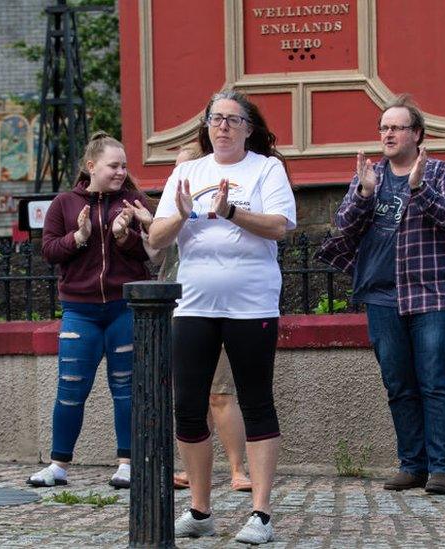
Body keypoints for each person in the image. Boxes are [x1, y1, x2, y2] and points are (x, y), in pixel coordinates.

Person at [148, 89, 296, 543]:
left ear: (249, 128)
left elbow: (280, 226)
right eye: (217, 118)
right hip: (194, 304)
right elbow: (155, 238)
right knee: (188, 406)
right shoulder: (187, 171)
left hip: (252, 304)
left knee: (255, 400)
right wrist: (182, 215)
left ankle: (261, 514)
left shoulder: (266, 168)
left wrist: (232, 211)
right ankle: (200, 509)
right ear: (207, 125)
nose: (224, 126)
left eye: (234, 119)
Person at [316, 95, 445, 495]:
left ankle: (444, 469)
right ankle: (412, 464)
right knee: (398, 383)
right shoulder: (371, 174)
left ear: (417, 134)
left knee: (436, 381)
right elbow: (344, 228)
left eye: (397, 127)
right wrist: (363, 194)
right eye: (384, 127)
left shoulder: (440, 172)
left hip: (432, 294)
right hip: (382, 295)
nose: (388, 133)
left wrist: (419, 189)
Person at [32, 131, 152, 489]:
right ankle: (58, 465)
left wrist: (122, 236)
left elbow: (151, 253)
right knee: (70, 388)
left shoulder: (133, 202)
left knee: (126, 389)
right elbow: (50, 251)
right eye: (113, 165)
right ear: (91, 166)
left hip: (123, 309)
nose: (120, 171)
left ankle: (127, 464)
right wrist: (80, 237)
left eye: (124, 165)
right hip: (79, 312)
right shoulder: (64, 204)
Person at [167, 142, 251, 494]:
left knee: (219, 392)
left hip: (213, 304)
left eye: (187, 167)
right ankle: (191, 469)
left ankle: (237, 468)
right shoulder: (175, 201)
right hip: (178, 306)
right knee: (189, 395)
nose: (181, 175)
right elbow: (155, 249)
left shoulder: (219, 196)